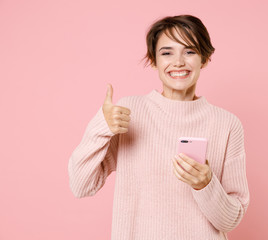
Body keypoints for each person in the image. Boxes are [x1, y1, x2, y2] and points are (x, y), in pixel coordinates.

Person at [68, 14, 250, 240]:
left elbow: (230, 220)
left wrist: (206, 184)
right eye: (167, 53)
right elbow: (81, 186)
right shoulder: (128, 113)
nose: (179, 62)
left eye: (190, 51)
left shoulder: (227, 124)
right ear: (153, 60)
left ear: (204, 59)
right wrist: (100, 127)